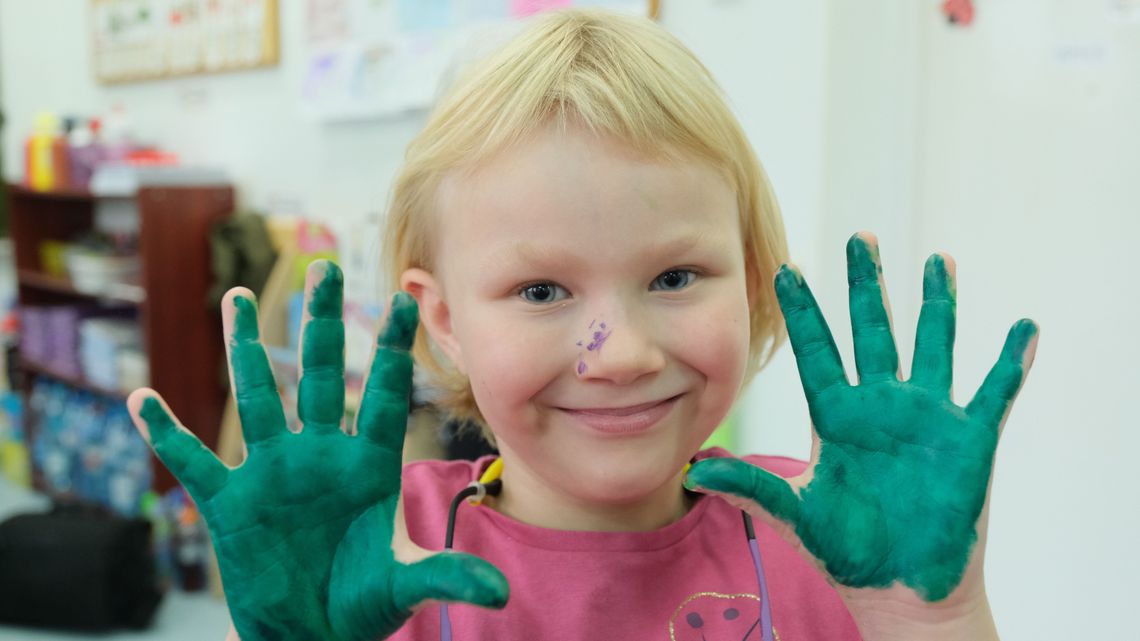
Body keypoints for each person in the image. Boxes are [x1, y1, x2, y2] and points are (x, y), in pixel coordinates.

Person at [127, 9, 1039, 641]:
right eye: (541, 291)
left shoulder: (834, 535)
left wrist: (933, 620)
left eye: (675, 275)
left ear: (755, 284)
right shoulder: (380, 550)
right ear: (441, 317)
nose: (623, 354)